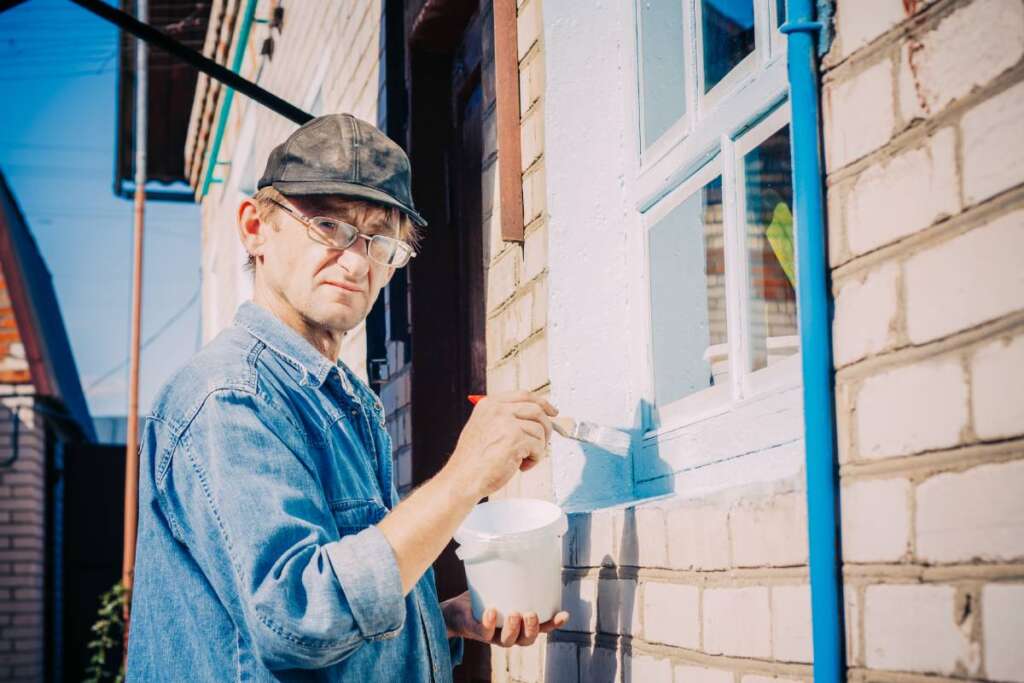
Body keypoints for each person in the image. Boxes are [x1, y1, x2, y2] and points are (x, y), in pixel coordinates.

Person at [125, 113, 568, 681]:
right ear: (255, 227)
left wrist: (440, 619)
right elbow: (301, 620)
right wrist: (468, 474)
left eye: (380, 242)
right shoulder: (229, 397)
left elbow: (335, 610)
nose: (357, 261)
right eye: (329, 226)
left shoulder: (343, 398)